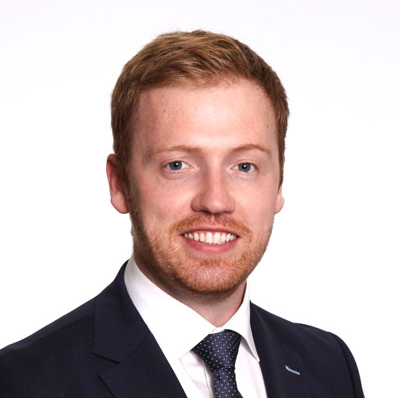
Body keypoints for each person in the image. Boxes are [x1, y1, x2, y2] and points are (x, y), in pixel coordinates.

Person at [0, 30, 364, 397]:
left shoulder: (329, 365)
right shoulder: (24, 382)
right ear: (120, 183)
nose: (215, 200)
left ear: (279, 183)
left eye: (244, 166)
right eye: (177, 165)